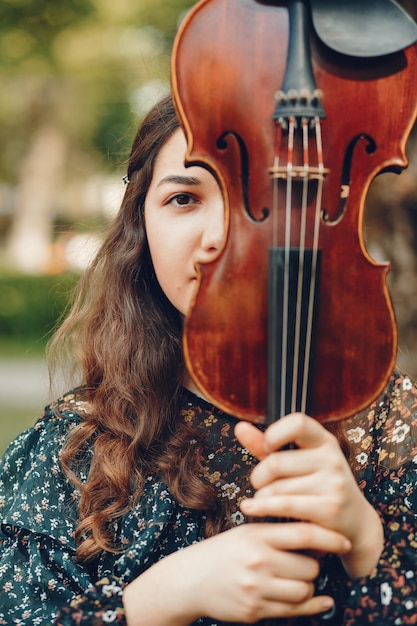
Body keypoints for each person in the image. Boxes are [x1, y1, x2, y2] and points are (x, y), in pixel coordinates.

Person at [0, 94, 416, 626]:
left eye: (260, 199)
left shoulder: (392, 424)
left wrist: (367, 542)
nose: (220, 238)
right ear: (140, 227)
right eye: (184, 199)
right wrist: (159, 600)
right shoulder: (72, 442)